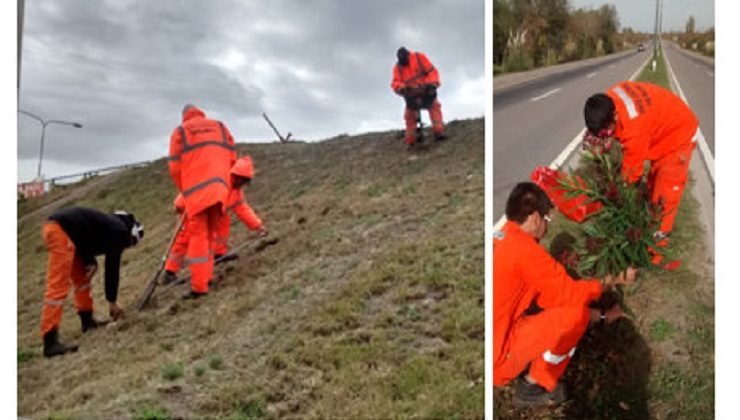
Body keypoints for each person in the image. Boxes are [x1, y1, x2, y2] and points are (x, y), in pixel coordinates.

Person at [493, 182, 635, 407]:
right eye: (547, 220)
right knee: (575, 316)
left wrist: (602, 316)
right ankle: (535, 384)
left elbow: (550, 298)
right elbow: (570, 296)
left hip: (500, 331)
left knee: (569, 311)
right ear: (534, 218)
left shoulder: (501, 236)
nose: (547, 228)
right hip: (497, 355)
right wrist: (612, 280)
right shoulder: (525, 252)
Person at [584, 81, 699, 256]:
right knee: (653, 186)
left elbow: (630, 177)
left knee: (664, 199)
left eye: (607, 132)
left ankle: (655, 252)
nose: (606, 137)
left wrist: (615, 199)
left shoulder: (634, 130)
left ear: (615, 116)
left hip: (679, 135)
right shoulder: (609, 99)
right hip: (662, 130)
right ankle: (647, 231)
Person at [40, 207, 143, 358]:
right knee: (58, 287)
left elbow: (84, 236)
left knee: (82, 279)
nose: (126, 247)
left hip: (65, 232)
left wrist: (90, 261)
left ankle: (87, 321)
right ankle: (49, 341)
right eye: (131, 243)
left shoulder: (109, 224)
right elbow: (112, 267)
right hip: (60, 232)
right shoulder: (119, 231)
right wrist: (112, 301)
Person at [163, 156, 267, 284]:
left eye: (244, 181)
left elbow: (243, 210)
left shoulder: (236, 192)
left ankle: (219, 254)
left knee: (223, 221)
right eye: (240, 179)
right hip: (195, 211)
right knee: (184, 239)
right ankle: (170, 272)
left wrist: (258, 226)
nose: (240, 183)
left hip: (214, 213)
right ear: (234, 174)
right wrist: (179, 204)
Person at [169, 104, 237, 299]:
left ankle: (199, 287)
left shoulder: (181, 131)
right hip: (220, 189)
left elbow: (175, 168)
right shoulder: (220, 127)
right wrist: (224, 182)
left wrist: (186, 191)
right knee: (211, 235)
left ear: (184, 117)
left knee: (198, 237)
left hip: (196, 193)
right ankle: (206, 278)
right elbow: (233, 158)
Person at [391, 46, 446, 148]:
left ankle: (439, 133)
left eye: (404, 60)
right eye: (401, 61)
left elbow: (432, 71)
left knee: (434, 106)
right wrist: (402, 88)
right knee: (409, 115)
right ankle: (411, 141)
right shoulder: (397, 68)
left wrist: (432, 84)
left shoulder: (419, 57)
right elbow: (395, 83)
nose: (403, 62)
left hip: (426, 90)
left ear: (408, 55)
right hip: (411, 94)